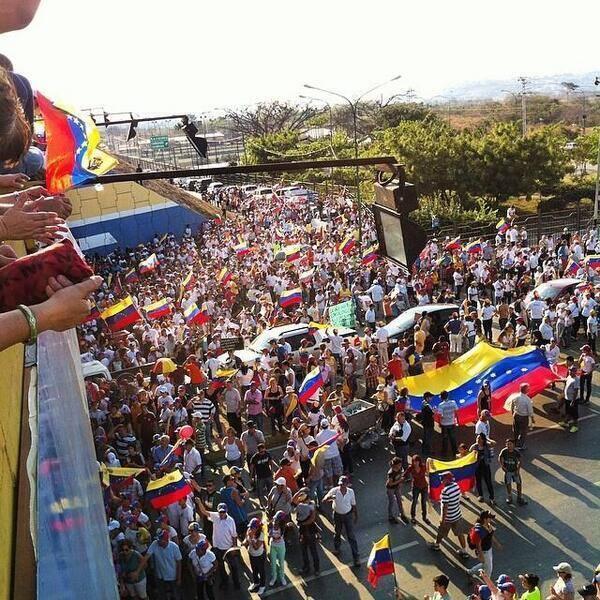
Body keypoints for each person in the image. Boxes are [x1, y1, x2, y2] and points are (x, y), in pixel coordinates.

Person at [194, 501, 241, 590]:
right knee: (220, 567)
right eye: (220, 512)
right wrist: (199, 502)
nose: (221, 514)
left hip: (228, 548)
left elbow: (234, 535)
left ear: (226, 511)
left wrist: (234, 548)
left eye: (223, 512)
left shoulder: (231, 521)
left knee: (233, 567)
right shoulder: (215, 516)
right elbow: (204, 512)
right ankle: (225, 582)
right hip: (217, 548)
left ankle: (236, 582)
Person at [322, 475, 360, 566]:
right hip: (337, 515)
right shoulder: (334, 491)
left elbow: (353, 504)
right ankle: (337, 548)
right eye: (340, 484)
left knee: (351, 536)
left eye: (343, 484)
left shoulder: (351, 492)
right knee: (337, 532)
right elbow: (324, 500)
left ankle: (356, 557)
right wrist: (329, 498)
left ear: (347, 484)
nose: (341, 486)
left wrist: (356, 515)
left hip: (348, 515)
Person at [431, 472, 470, 558]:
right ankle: (464, 550)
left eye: (443, 478)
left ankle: (436, 545)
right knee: (460, 533)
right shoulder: (456, 486)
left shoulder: (445, 491)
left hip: (448, 517)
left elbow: (445, 507)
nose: (441, 480)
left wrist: (443, 519)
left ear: (447, 480)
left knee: (441, 532)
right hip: (457, 515)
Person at [133, 530, 181, 600]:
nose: (158, 541)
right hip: (160, 576)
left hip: (172, 576)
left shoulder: (174, 547)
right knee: (162, 594)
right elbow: (145, 557)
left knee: (175, 594)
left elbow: (179, 563)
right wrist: (137, 571)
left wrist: (179, 578)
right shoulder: (154, 544)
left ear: (165, 540)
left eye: (160, 540)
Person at [293, 488, 321, 576]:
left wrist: (302, 523)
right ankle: (314, 568)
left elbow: (293, 501)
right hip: (309, 529)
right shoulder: (311, 505)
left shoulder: (302, 506)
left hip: (305, 530)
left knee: (307, 550)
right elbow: (312, 519)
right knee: (310, 550)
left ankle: (308, 567)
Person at [467, 509, 499, 579]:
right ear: (485, 519)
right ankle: (487, 584)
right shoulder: (480, 531)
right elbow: (478, 545)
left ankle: (470, 571)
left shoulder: (487, 525)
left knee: (485, 564)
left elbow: (491, 535)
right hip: (484, 552)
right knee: (489, 569)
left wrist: (496, 543)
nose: (491, 519)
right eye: (489, 518)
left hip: (488, 549)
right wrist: (481, 556)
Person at [402, 454, 430, 524]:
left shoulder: (423, 466)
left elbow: (429, 472)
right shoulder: (410, 468)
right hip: (416, 487)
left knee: (423, 503)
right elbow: (404, 475)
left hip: (424, 486)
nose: (415, 463)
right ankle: (413, 517)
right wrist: (399, 480)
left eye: (417, 461)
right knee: (414, 502)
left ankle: (424, 517)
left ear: (419, 461)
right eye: (414, 461)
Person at [498, 438, 527, 505]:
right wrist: (502, 466)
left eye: (510, 444)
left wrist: (517, 470)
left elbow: (520, 461)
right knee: (508, 483)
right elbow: (500, 458)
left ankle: (519, 497)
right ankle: (510, 497)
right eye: (507, 444)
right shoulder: (504, 451)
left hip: (515, 470)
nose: (509, 446)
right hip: (507, 471)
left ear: (513, 445)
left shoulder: (516, 452)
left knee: (519, 483)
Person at [507, 383, 534, 451]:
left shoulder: (516, 397)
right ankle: (521, 445)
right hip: (523, 417)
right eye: (528, 388)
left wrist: (513, 413)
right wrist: (532, 419)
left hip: (516, 415)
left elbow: (512, 405)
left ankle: (515, 442)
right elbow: (530, 411)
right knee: (523, 432)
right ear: (526, 390)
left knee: (516, 430)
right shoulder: (527, 400)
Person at [470, 432, 496, 504]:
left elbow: (494, 443)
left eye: (479, 438)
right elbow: (469, 455)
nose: (478, 440)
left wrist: (487, 438)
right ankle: (481, 495)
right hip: (477, 467)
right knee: (478, 482)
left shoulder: (487, 445)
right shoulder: (474, 447)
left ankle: (492, 497)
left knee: (488, 482)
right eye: (477, 438)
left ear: (483, 440)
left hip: (485, 466)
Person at [244, 517, 266, 594]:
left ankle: (262, 586)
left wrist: (252, 538)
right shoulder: (249, 530)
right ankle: (256, 582)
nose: (250, 528)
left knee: (261, 571)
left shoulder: (261, 534)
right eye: (250, 527)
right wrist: (245, 542)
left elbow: (256, 547)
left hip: (259, 556)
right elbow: (246, 539)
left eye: (252, 527)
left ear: (257, 528)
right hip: (251, 554)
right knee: (254, 570)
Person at [385, 456, 409, 525]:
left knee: (399, 501)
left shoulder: (399, 469)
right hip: (390, 488)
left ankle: (402, 514)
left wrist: (400, 482)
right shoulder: (391, 473)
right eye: (399, 465)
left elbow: (400, 475)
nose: (400, 466)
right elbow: (390, 483)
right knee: (391, 502)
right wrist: (399, 481)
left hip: (397, 487)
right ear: (395, 465)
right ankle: (390, 517)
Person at [268, 510, 288, 587]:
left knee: (281, 563)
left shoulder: (283, 527)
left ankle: (282, 577)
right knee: (273, 563)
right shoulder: (271, 524)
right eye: (276, 519)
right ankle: (274, 578)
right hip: (273, 546)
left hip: (281, 546)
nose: (275, 520)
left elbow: (279, 536)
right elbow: (269, 534)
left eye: (278, 519)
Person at [437, 391, 459, 456]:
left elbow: (440, 415)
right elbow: (456, 411)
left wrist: (439, 422)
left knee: (445, 438)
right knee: (453, 438)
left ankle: (444, 452)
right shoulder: (453, 402)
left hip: (444, 424)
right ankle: (455, 451)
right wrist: (456, 420)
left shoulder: (441, 405)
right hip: (452, 422)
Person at [561, 365, 580, 433]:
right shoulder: (569, 376)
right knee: (568, 411)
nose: (570, 372)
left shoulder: (576, 380)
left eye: (572, 371)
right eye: (570, 370)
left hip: (573, 399)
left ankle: (575, 426)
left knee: (574, 413)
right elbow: (565, 381)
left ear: (575, 372)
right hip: (567, 398)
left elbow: (576, 391)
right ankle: (566, 422)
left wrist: (573, 401)